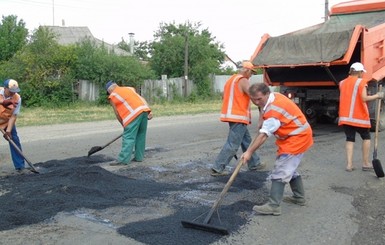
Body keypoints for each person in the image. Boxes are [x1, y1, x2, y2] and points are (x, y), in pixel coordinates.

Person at [241, 83, 313, 216]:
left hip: (297, 137)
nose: (256, 102)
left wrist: (249, 152)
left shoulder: (274, 111)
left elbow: (263, 136)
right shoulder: (275, 97)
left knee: (281, 169)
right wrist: (262, 119)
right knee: (289, 168)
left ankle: (273, 205)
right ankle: (299, 197)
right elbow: (264, 112)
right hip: (292, 136)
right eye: (253, 99)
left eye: (259, 99)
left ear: (267, 94)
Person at [211, 61, 264, 176]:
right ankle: (218, 168)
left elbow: (224, 96)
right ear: (247, 70)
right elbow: (254, 96)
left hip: (232, 116)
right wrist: (262, 110)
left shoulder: (231, 80)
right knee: (233, 144)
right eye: (252, 73)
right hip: (238, 116)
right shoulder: (243, 80)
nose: (251, 75)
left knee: (246, 141)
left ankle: (254, 163)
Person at [338, 62, 384, 172]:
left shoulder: (342, 82)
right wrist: (377, 95)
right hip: (358, 117)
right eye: (362, 72)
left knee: (350, 139)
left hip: (345, 117)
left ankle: (349, 165)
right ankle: (366, 163)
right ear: (359, 72)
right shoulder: (361, 82)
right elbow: (364, 98)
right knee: (366, 138)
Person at [105, 81, 153, 165]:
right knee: (140, 135)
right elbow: (141, 99)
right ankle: (139, 157)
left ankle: (123, 160)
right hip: (144, 110)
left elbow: (117, 113)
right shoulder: (129, 88)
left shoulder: (112, 96)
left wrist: (124, 125)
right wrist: (149, 111)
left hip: (133, 114)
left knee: (128, 137)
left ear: (109, 90)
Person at [0, 79, 27, 173]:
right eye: (11, 91)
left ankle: (20, 166)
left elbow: (13, 116)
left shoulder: (17, 98)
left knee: (14, 139)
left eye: (14, 91)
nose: (13, 94)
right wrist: (2, 102)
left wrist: (8, 131)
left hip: (6, 120)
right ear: (5, 88)